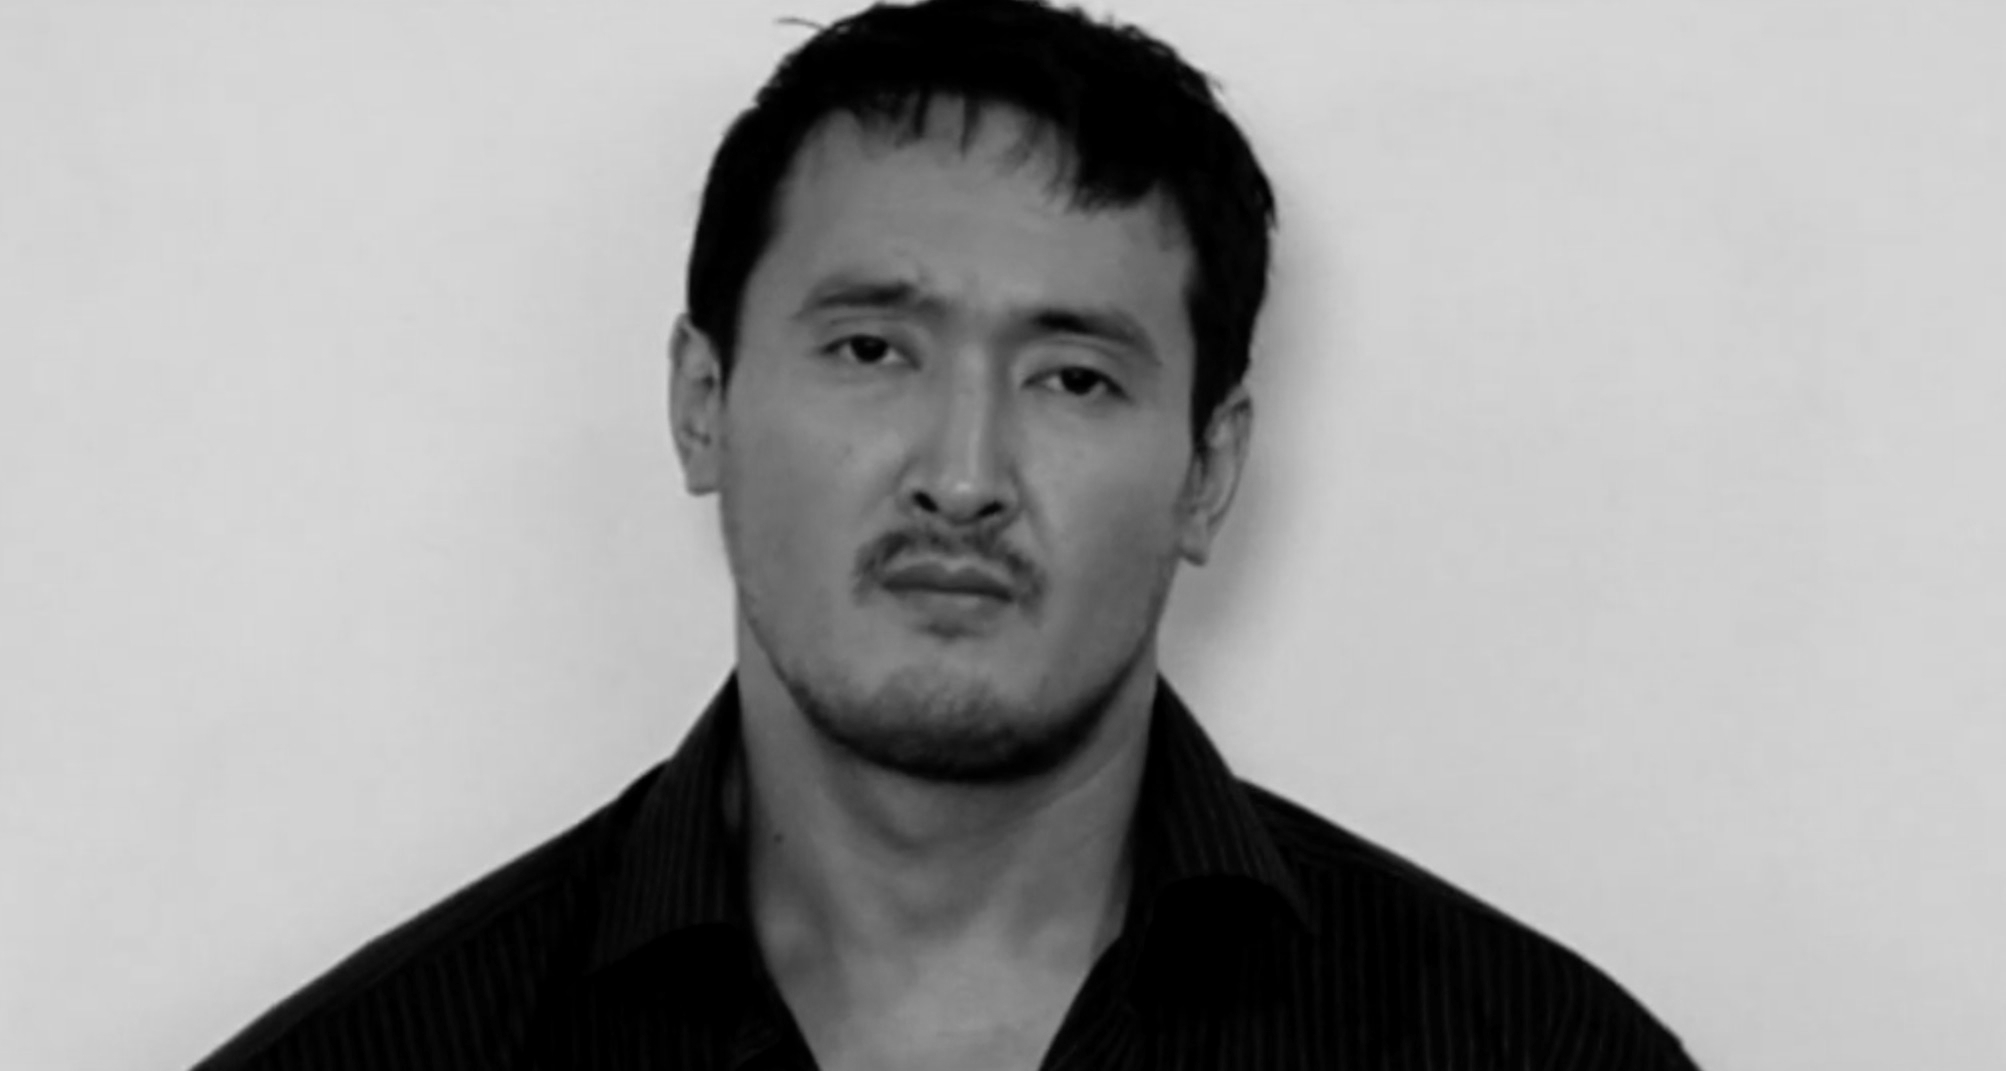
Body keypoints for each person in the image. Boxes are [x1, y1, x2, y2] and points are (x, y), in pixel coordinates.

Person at [194, 1, 1698, 1067]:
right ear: (704, 405)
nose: (964, 477)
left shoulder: (1532, 1052)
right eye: (871, 350)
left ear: (1206, 470)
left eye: (1074, 377)